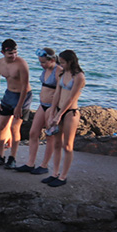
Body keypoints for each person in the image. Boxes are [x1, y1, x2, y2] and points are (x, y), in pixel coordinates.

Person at [41, 50, 85, 188]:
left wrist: (60, 115)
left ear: (70, 62)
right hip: (58, 109)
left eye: (63, 62)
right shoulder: (61, 74)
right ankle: (55, 173)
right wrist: (53, 111)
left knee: (67, 145)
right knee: (57, 143)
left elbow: (72, 97)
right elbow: (57, 94)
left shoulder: (79, 77)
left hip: (71, 113)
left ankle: (63, 176)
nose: (61, 64)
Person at [16, 48, 60, 175]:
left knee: (49, 136)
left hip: (52, 106)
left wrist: (56, 111)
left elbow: (62, 91)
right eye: (40, 62)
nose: (42, 65)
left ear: (52, 60)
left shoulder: (58, 71)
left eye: (44, 62)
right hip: (42, 105)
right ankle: (30, 163)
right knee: (33, 133)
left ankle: (44, 165)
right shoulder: (46, 70)